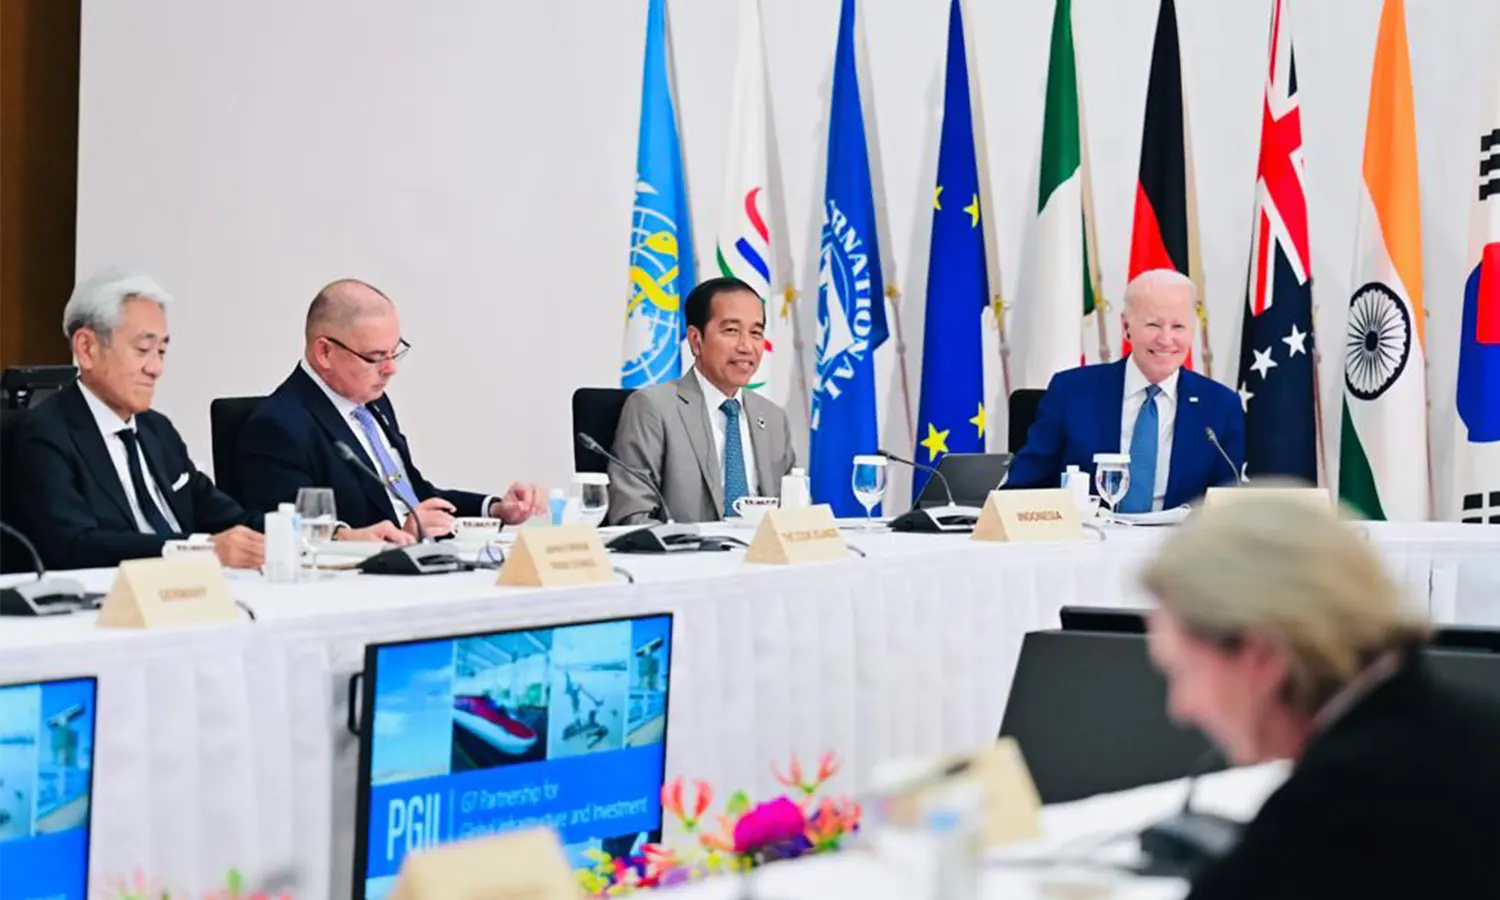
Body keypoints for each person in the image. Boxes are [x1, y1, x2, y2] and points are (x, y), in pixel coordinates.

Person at [1140, 496, 1500, 898]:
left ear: (1263, 657)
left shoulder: (1327, 815)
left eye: (1184, 672)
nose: (1181, 709)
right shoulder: (1483, 730)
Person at [13, 268, 405, 571]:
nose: (155, 369)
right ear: (86, 348)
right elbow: (73, 545)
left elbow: (231, 518)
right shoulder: (46, 433)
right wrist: (199, 551)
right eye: (143, 350)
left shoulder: (155, 431)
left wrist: (337, 537)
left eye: (162, 352)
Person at [237, 279, 543, 536]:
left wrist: (494, 509)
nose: (390, 369)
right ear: (325, 352)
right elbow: (294, 536)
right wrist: (402, 533)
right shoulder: (278, 427)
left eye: (394, 353)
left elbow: (415, 496)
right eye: (375, 357)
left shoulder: (373, 404)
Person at [1005, 269, 1243, 511]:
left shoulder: (1220, 406)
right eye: (1153, 324)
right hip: (1088, 533)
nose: (1165, 339)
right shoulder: (1071, 392)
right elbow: (1022, 488)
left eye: (1178, 326)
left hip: (1180, 536)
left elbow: (1229, 506)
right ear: (1126, 326)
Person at [608, 277, 798, 524]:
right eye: (731, 330)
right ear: (696, 340)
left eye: (756, 333)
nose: (746, 346)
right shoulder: (653, 408)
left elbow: (795, 514)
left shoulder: (773, 419)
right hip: (687, 549)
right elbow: (632, 517)